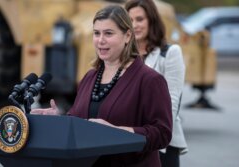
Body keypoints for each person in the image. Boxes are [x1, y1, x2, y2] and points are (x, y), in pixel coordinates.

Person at [31, 5, 172, 167]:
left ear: (127, 36)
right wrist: (60, 121)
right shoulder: (89, 77)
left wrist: (116, 131)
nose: (100, 40)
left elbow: (162, 134)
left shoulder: (150, 80)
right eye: (96, 33)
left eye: (108, 33)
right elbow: (81, 124)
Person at [125, 0, 188, 167]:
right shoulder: (122, 56)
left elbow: (172, 102)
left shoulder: (170, 53)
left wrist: (155, 135)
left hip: (162, 141)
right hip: (127, 139)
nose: (134, 25)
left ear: (151, 21)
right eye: (130, 20)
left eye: (140, 19)